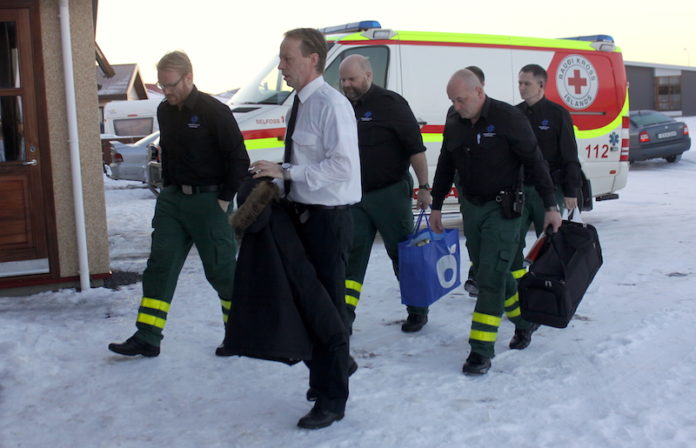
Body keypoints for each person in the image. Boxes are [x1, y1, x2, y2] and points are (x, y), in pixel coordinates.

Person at [249, 28, 361, 430]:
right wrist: (275, 181)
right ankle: (328, 373)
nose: (281, 66)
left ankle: (333, 399)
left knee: (326, 310)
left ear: (313, 59)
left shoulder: (332, 105)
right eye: (281, 58)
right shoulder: (299, 103)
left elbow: (342, 167)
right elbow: (302, 163)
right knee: (307, 306)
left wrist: (288, 172)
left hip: (329, 222)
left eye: (287, 58)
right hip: (303, 216)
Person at [108, 51, 249, 357]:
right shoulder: (165, 110)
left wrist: (224, 198)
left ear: (188, 78)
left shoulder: (214, 111)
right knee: (159, 267)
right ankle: (148, 336)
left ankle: (240, 335)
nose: (166, 91)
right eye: (162, 85)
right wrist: (167, 189)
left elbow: (239, 158)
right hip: (172, 201)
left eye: (171, 84)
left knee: (222, 271)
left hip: (210, 202)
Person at [429, 69, 561, 375]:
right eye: (452, 100)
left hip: (504, 209)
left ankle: (480, 350)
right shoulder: (455, 121)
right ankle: (525, 321)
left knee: (489, 277)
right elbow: (446, 164)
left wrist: (550, 205)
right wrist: (436, 205)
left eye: (460, 100)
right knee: (493, 272)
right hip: (472, 208)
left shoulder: (508, 118)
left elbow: (535, 161)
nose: (456, 106)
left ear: (479, 92)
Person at [337, 54, 432, 334]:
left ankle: (417, 310)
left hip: (390, 195)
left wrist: (424, 187)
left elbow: (416, 148)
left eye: (352, 79)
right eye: (343, 80)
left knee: (403, 254)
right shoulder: (342, 106)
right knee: (351, 257)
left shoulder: (391, 104)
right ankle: (344, 316)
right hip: (356, 196)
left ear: (368, 75)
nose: (346, 85)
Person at [512, 64, 582, 278]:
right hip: (520, 189)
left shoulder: (557, 114)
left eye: (527, 83)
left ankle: (545, 285)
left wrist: (571, 191)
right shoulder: (514, 114)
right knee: (513, 241)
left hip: (549, 190)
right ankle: (515, 286)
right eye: (520, 83)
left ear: (541, 85)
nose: (522, 88)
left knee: (549, 241)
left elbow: (570, 155)